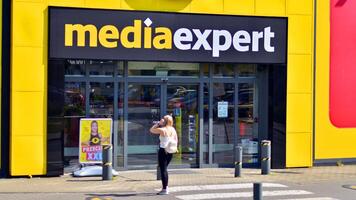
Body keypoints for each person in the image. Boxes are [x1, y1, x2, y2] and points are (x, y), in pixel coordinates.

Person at [149, 115, 178, 195]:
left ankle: (165, 189)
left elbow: (151, 130)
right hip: (171, 151)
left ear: (164, 121)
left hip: (163, 151)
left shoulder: (163, 130)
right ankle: (166, 187)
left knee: (163, 170)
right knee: (165, 169)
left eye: (163, 119)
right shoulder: (173, 129)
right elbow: (176, 139)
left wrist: (158, 123)